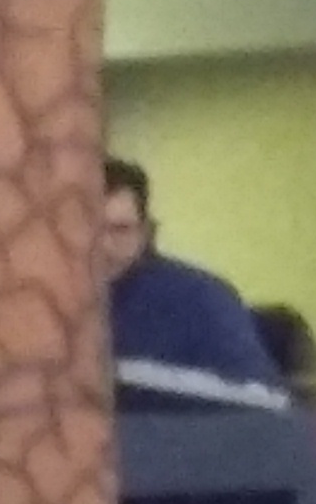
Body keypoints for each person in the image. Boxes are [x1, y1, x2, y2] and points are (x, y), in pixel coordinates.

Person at [100, 158, 281, 386]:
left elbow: (258, 398)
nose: (104, 246)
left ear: (146, 233)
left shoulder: (203, 300)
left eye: (121, 230)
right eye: (88, 230)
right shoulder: (56, 303)